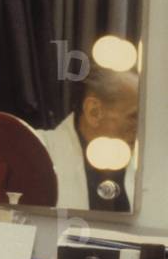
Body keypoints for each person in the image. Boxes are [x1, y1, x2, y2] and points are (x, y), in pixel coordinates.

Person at [37, 66, 138, 211]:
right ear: (94, 112)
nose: (143, 129)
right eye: (134, 117)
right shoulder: (34, 152)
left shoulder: (149, 168)